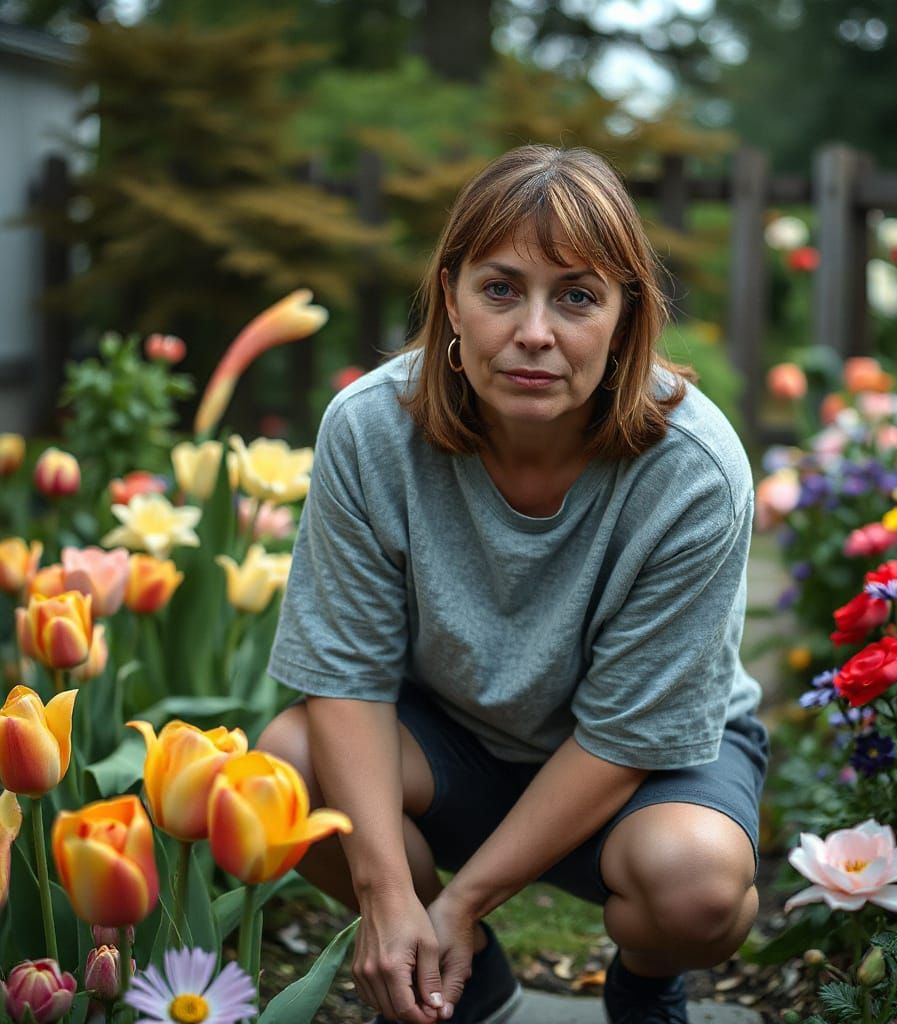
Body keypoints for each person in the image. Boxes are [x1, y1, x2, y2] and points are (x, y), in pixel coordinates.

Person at [259, 144, 768, 1024]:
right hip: (450, 739)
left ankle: (646, 981)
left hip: (637, 767)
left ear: (623, 319)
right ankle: (469, 978)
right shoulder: (371, 431)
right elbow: (345, 675)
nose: (536, 331)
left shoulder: (695, 473)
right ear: (450, 295)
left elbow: (628, 729)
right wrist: (390, 900)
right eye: (501, 289)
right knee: (285, 773)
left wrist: (462, 902)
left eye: (576, 296)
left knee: (696, 889)